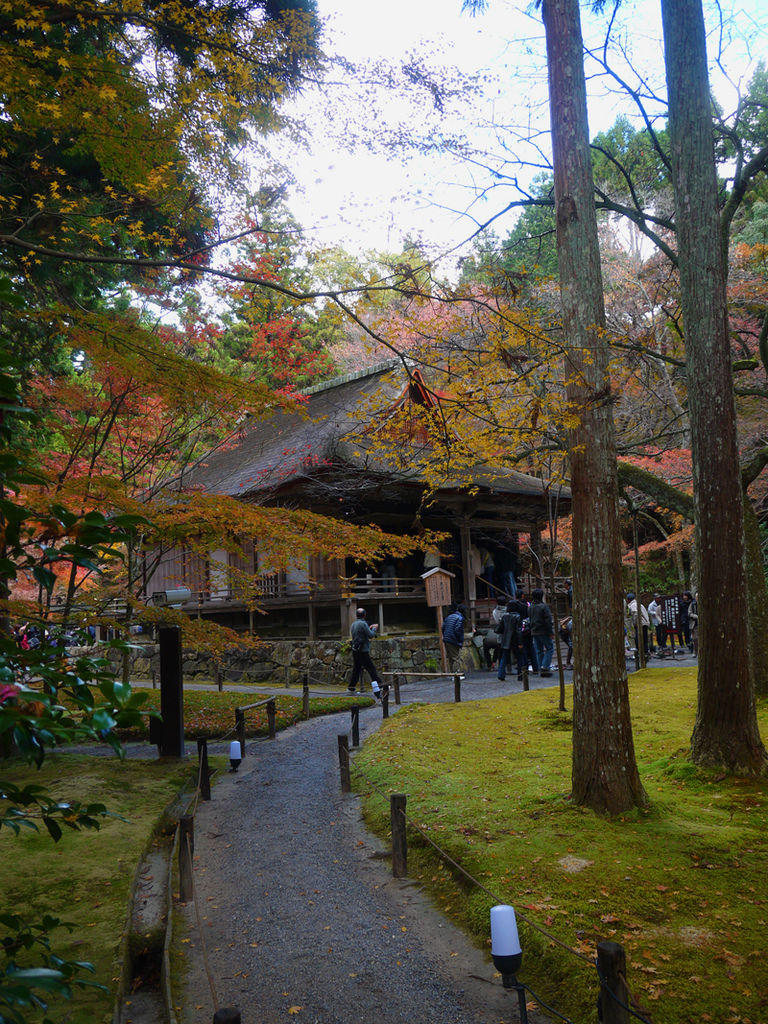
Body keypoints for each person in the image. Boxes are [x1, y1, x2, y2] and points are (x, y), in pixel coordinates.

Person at [348, 607, 385, 699]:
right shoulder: (363, 623)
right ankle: (381, 686)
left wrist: (369, 628)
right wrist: (374, 628)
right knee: (371, 669)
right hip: (363, 650)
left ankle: (351, 688)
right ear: (364, 615)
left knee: (356, 670)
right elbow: (371, 635)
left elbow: (359, 634)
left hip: (355, 649)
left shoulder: (354, 624)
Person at [529, 588, 554, 677]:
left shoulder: (531, 607)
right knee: (550, 648)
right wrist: (550, 632)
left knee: (539, 650)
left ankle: (541, 667)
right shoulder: (543, 607)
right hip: (543, 630)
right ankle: (545, 666)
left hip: (534, 630)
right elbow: (548, 621)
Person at [497, 600, 524, 682]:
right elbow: (518, 631)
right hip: (515, 639)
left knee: (504, 657)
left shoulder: (504, 616)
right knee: (520, 657)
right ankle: (520, 675)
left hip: (506, 639)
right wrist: (520, 642)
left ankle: (501, 674)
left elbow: (500, 628)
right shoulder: (518, 617)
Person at [442, 603, 466, 670]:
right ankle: (456, 675)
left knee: (450, 658)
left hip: (446, 638)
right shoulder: (460, 618)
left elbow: (443, 627)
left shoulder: (449, 616)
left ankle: (452, 674)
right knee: (456, 657)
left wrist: (445, 635)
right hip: (453, 639)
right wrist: (460, 640)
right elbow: (458, 630)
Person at [688, 592, 699, 657]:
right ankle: (695, 652)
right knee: (695, 639)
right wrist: (695, 616)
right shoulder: (692, 604)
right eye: (696, 597)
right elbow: (689, 613)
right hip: (695, 624)